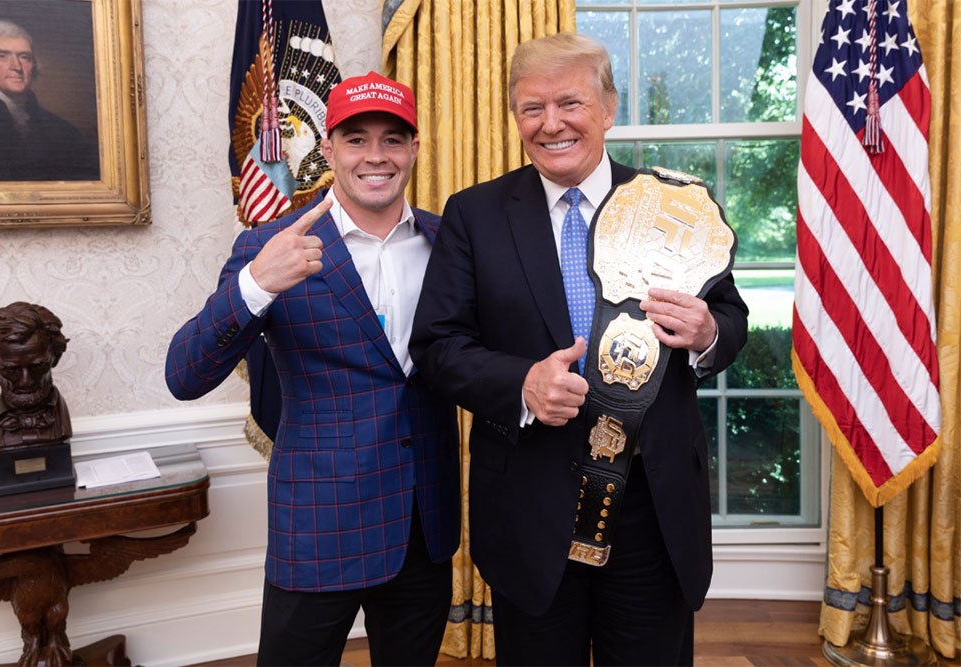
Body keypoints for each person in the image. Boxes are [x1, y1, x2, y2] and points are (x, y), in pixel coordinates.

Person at [410, 33, 749, 666]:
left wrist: (707, 333)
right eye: (531, 108)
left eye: (570, 102)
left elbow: (730, 318)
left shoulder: (673, 207)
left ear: (609, 108)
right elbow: (438, 347)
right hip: (530, 509)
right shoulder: (475, 214)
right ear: (515, 118)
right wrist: (521, 385)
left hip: (652, 505)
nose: (551, 123)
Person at [165, 71, 460, 666]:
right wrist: (255, 285)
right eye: (356, 139)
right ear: (327, 149)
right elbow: (184, 374)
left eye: (392, 139)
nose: (375, 156)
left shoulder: (448, 241)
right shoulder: (269, 246)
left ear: (414, 149)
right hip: (322, 524)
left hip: (422, 525)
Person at [0, 18, 99, 182]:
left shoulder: (62, 131)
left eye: (24, 57)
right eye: (2, 56)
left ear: (33, 65)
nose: (17, 67)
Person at [0, 301, 73, 450]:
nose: (25, 382)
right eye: (11, 369)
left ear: (56, 357)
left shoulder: (62, 421)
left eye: (38, 366)